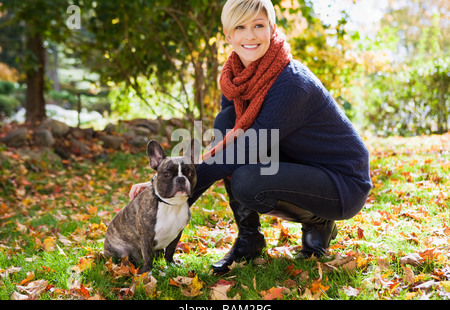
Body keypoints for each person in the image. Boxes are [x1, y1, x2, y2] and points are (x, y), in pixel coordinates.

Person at [129, 0, 372, 274]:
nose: (250, 35)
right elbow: (230, 143)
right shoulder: (236, 78)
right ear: (227, 35)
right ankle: (249, 237)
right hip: (298, 162)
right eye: (240, 27)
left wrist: (167, 188)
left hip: (341, 182)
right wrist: (161, 189)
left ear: (272, 28)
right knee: (226, 122)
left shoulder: (291, 83)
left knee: (247, 181)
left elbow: (246, 149)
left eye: (258, 26)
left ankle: (320, 220)